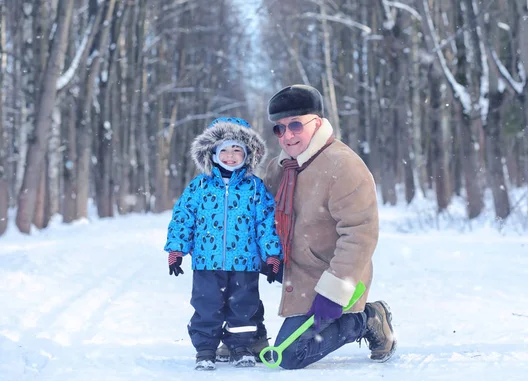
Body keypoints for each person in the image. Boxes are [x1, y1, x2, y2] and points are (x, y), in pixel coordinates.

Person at [262, 84, 397, 369]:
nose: (287, 135)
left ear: (318, 122)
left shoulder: (343, 165)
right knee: (288, 351)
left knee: (289, 356)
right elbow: (262, 215)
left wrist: (335, 291)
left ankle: (367, 319)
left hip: (337, 277)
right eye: (279, 129)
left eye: (296, 125)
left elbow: (360, 233)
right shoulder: (279, 168)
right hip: (299, 278)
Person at [164, 117, 283, 371]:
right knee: (206, 305)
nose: (230, 156)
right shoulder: (199, 186)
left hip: (245, 262)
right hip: (207, 261)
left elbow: (266, 223)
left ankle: (241, 346)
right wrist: (176, 249)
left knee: (244, 306)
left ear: (247, 154)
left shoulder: (254, 188)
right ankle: (205, 348)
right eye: (224, 150)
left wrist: (272, 255)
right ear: (212, 153)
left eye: (237, 149)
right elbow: (183, 217)